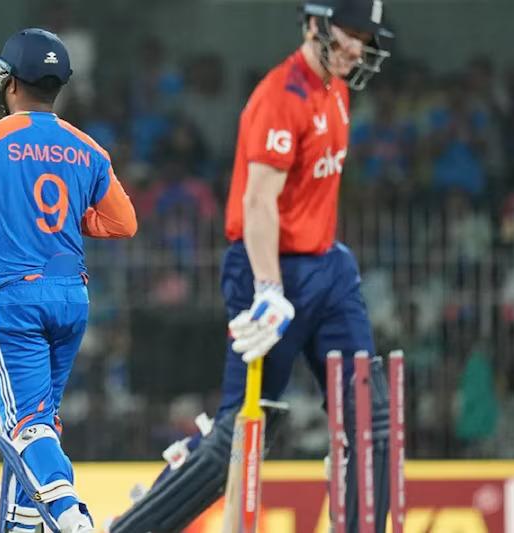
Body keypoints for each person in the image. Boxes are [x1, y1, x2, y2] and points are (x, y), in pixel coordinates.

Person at [108, 1, 395, 531]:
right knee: (240, 432)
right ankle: (134, 525)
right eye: (350, 32)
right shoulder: (279, 97)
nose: (358, 48)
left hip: (328, 266)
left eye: (366, 37)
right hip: (271, 268)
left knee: (368, 415)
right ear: (315, 24)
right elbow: (258, 201)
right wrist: (268, 288)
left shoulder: (336, 89)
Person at [0, 28, 137, 533]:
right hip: (71, 298)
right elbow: (124, 223)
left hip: (12, 299)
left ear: (8, 82)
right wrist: (72, 222)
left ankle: (69, 513)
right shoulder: (87, 148)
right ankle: (24, 525)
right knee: (40, 421)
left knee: (25, 424)